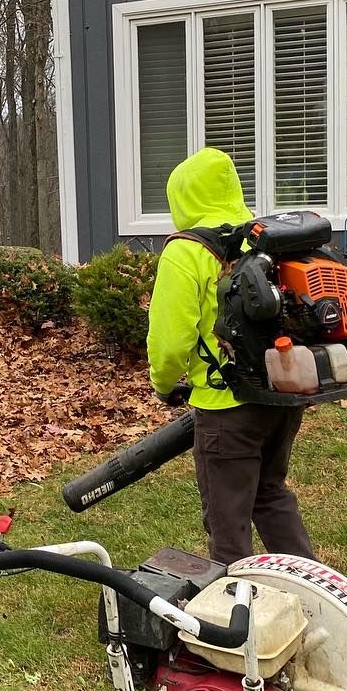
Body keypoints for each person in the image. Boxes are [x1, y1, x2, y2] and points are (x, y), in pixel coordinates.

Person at [146, 148, 314, 566]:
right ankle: (314, 592)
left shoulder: (186, 252)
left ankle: (234, 617)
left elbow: (170, 342)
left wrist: (164, 385)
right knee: (270, 494)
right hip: (279, 393)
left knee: (228, 522)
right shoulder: (260, 238)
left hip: (226, 408)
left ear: (181, 197)